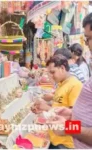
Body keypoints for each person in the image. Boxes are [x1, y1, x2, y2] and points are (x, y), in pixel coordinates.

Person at [35, 12, 92, 149]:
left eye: (88, 38)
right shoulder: (63, 84)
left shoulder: (74, 85)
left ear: (62, 68)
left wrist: (67, 127)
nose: (88, 45)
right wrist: (71, 115)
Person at [31, 54, 82, 149]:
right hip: (55, 139)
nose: (50, 76)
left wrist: (47, 108)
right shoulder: (61, 84)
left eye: (53, 72)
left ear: (62, 68)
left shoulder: (75, 85)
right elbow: (58, 106)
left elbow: (75, 119)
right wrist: (44, 109)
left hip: (66, 144)